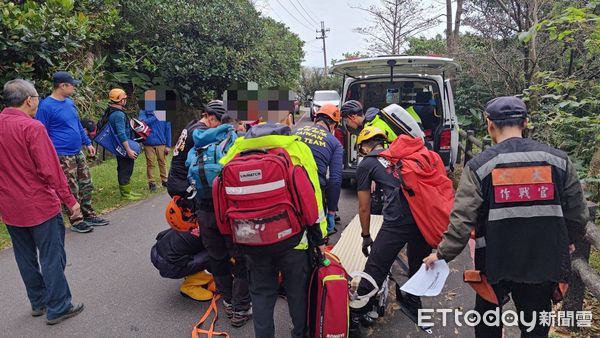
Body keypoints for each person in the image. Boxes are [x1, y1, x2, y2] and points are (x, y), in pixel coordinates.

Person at [423, 96, 589, 337]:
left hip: (494, 261)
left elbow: (462, 220)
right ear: (525, 123)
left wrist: (441, 254)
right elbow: (578, 213)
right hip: (542, 261)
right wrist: (569, 240)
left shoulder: (481, 166)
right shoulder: (558, 161)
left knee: (487, 321)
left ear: (489, 124)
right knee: (534, 324)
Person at [219, 123, 327, 338]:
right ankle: (300, 334)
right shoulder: (296, 149)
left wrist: (232, 243)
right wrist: (319, 237)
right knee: (297, 294)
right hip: (294, 242)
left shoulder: (234, 152)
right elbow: (312, 197)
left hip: (251, 240)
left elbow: (222, 200)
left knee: (261, 295)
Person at [0, 79, 85, 325]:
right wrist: (71, 201)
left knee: (24, 256)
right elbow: (51, 170)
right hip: (39, 204)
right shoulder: (32, 128)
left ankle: (38, 302)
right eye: (37, 98)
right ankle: (59, 306)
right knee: (51, 255)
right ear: (30, 100)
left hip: (10, 206)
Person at [168, 100, 252, 327]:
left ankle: (227, 301)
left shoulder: (198, 139)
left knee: (217, 257)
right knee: (242, 256)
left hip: (203, 208)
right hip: (229, 211)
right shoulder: (234, 141)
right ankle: (241, 308)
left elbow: (187, 167)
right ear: (233, 124)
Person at [351, 126, 432, 331]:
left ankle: (359, 311)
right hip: (424, 215)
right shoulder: (401, 156)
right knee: (418, 261)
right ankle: (414, 302)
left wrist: (366, 235)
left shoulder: (367, 163)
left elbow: (363, 206)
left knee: (376, 264)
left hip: (398, 219)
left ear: (364, 146)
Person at [36, 71, 109, 233]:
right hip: (62, 154)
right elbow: (41, 133)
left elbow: (76, 125)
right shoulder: (46, 106)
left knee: (86, 183)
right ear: (62, 86)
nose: (74, 88)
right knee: (70, 187)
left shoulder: (69, 103)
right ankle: (76, 220)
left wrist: (88, 142)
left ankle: (88, 214)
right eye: (72, 85)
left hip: (78, 151)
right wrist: (49, 155)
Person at [295, 103, 343, 236]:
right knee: (316, 235)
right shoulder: (334, 143)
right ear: (333, 125)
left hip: (290, 188)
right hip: (313, 192)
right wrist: (332, 212)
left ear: (316, 119)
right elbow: (335, 180)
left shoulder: (295, 132)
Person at [99, 88, 141, 200]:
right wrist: (128, 150)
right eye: (124, 99)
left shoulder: (111, 111)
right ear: (121, 100)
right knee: (126, 168)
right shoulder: (118, 115)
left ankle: (127, 191)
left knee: (123, 167)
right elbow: (121, 133)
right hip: (123, 144)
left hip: (118, 144)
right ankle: (126, 194)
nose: (125, 100)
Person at [150, 228, 213, 301]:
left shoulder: (200, 218)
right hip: (169, 265)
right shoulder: (213, 230)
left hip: (158, 249)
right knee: (217, 256)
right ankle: (189, 286)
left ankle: (192, 272)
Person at [138, 105, 172, 192]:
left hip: (161, 142)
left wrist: (168, 145)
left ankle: (165, 180)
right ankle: (151, 183)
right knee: (150, 163)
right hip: (148, 143)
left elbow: (168, 129)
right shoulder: (144, 111)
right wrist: (155, 116)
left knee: (162, 161)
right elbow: (142, 123)